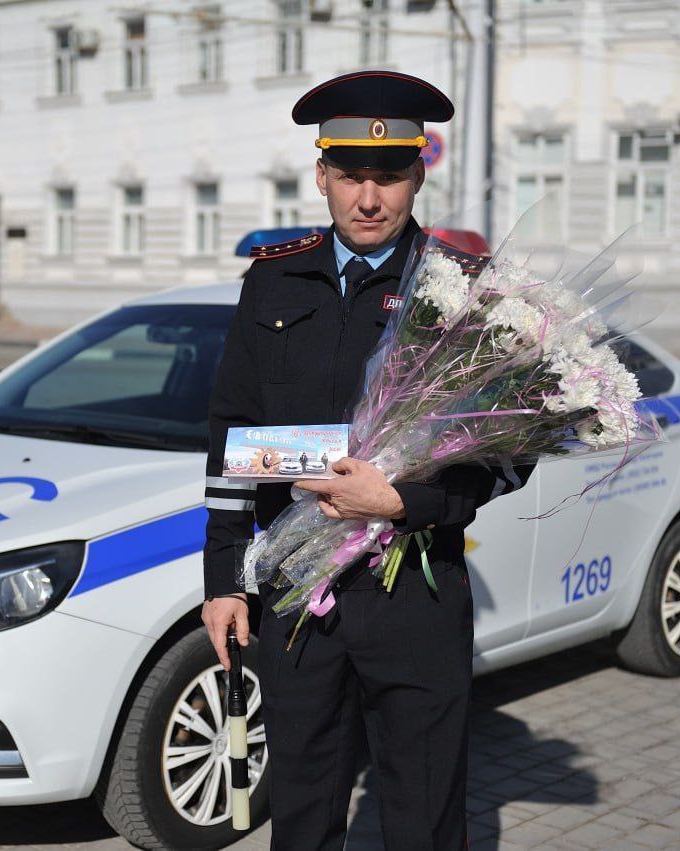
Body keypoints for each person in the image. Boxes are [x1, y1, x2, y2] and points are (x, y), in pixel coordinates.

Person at [201, 70, 537, 850]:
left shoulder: (463, 297)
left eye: (389, 176)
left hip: (414, 599)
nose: (369, 198)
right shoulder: (272, 280)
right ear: (321, 173)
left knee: (422, 818)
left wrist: (405, 503)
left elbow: (513, 452)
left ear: (421, 172)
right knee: (305, 813)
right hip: (297, 604)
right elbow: (231, 437)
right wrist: (223, 581)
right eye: (351, 175)